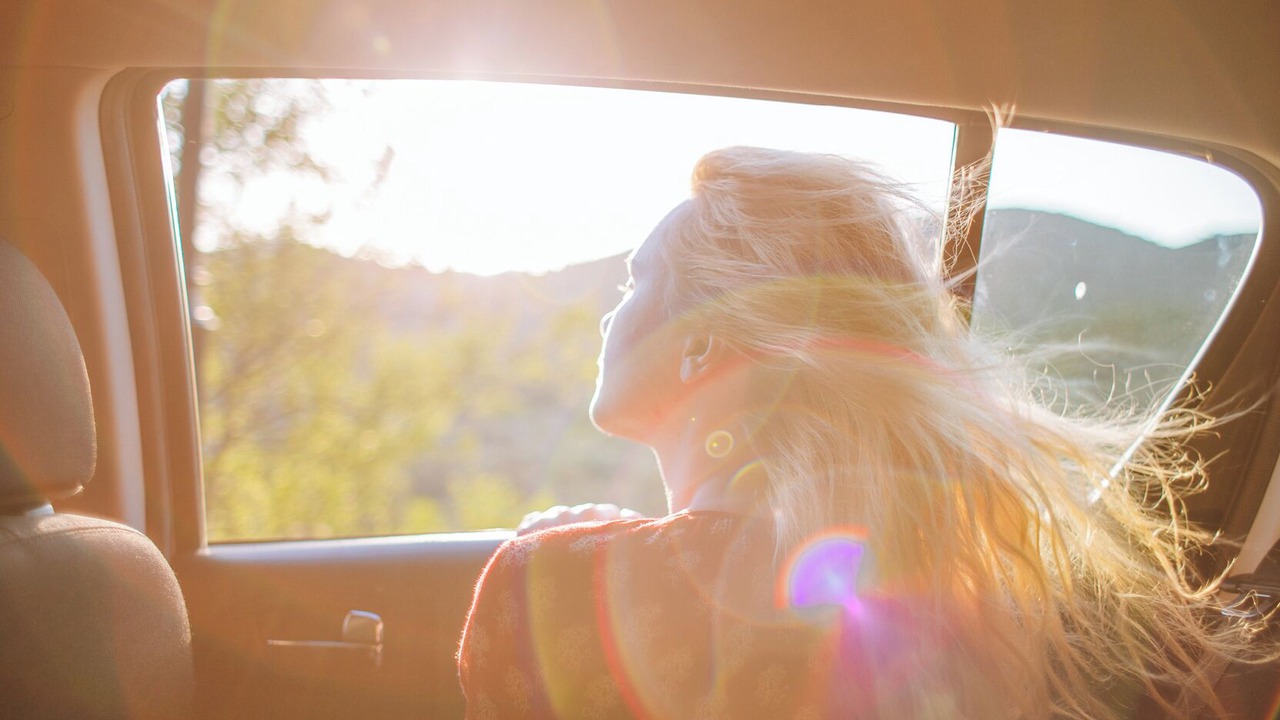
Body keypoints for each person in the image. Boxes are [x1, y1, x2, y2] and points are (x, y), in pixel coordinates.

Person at [457, 146, 1272, 719]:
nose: (610, 312)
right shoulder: (977, 621)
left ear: (697, 343)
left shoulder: (546, 588)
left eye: (634, 282)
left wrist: (574, 559)